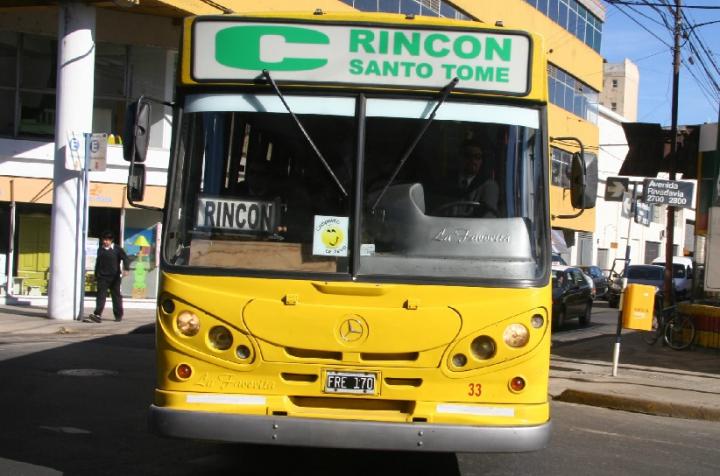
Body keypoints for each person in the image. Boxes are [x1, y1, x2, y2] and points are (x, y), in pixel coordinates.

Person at [87, 231, 130, 323]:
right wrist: (96, 275)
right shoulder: (100, 249)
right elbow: (98, 263)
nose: (105, 242)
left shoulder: (117, 249)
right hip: (102, 277)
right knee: (100, 296)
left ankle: (118, 315)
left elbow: (125, 258)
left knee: (116, 296)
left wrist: (126, 268)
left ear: (111, 240)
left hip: (114, 278)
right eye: (104, 240)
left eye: (107, 240)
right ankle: (97, 315)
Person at [455, 143, 500, 217]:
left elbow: (488, 217)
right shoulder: (446, 183)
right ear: (460, 158)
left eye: (477, 157)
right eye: (468, 156)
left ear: (482, 161)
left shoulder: (489, 186)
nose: (473, 160)